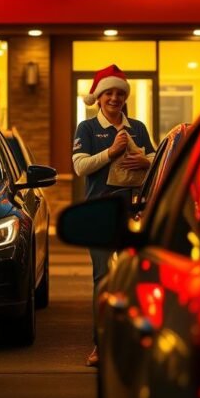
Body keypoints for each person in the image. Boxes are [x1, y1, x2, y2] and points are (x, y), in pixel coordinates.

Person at [72, 64, 154, 367]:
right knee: (103, 278)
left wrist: (145, 163)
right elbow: (80, 167)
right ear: (99, 96)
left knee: (135, 278)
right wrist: (110, 152)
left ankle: (135, 342)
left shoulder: (138, 128)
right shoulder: (88, 128)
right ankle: (101, 344)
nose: (115, 98)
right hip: (99, 213)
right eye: (109, 93)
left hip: (134, 211)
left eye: (120, 93)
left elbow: (155, 158)